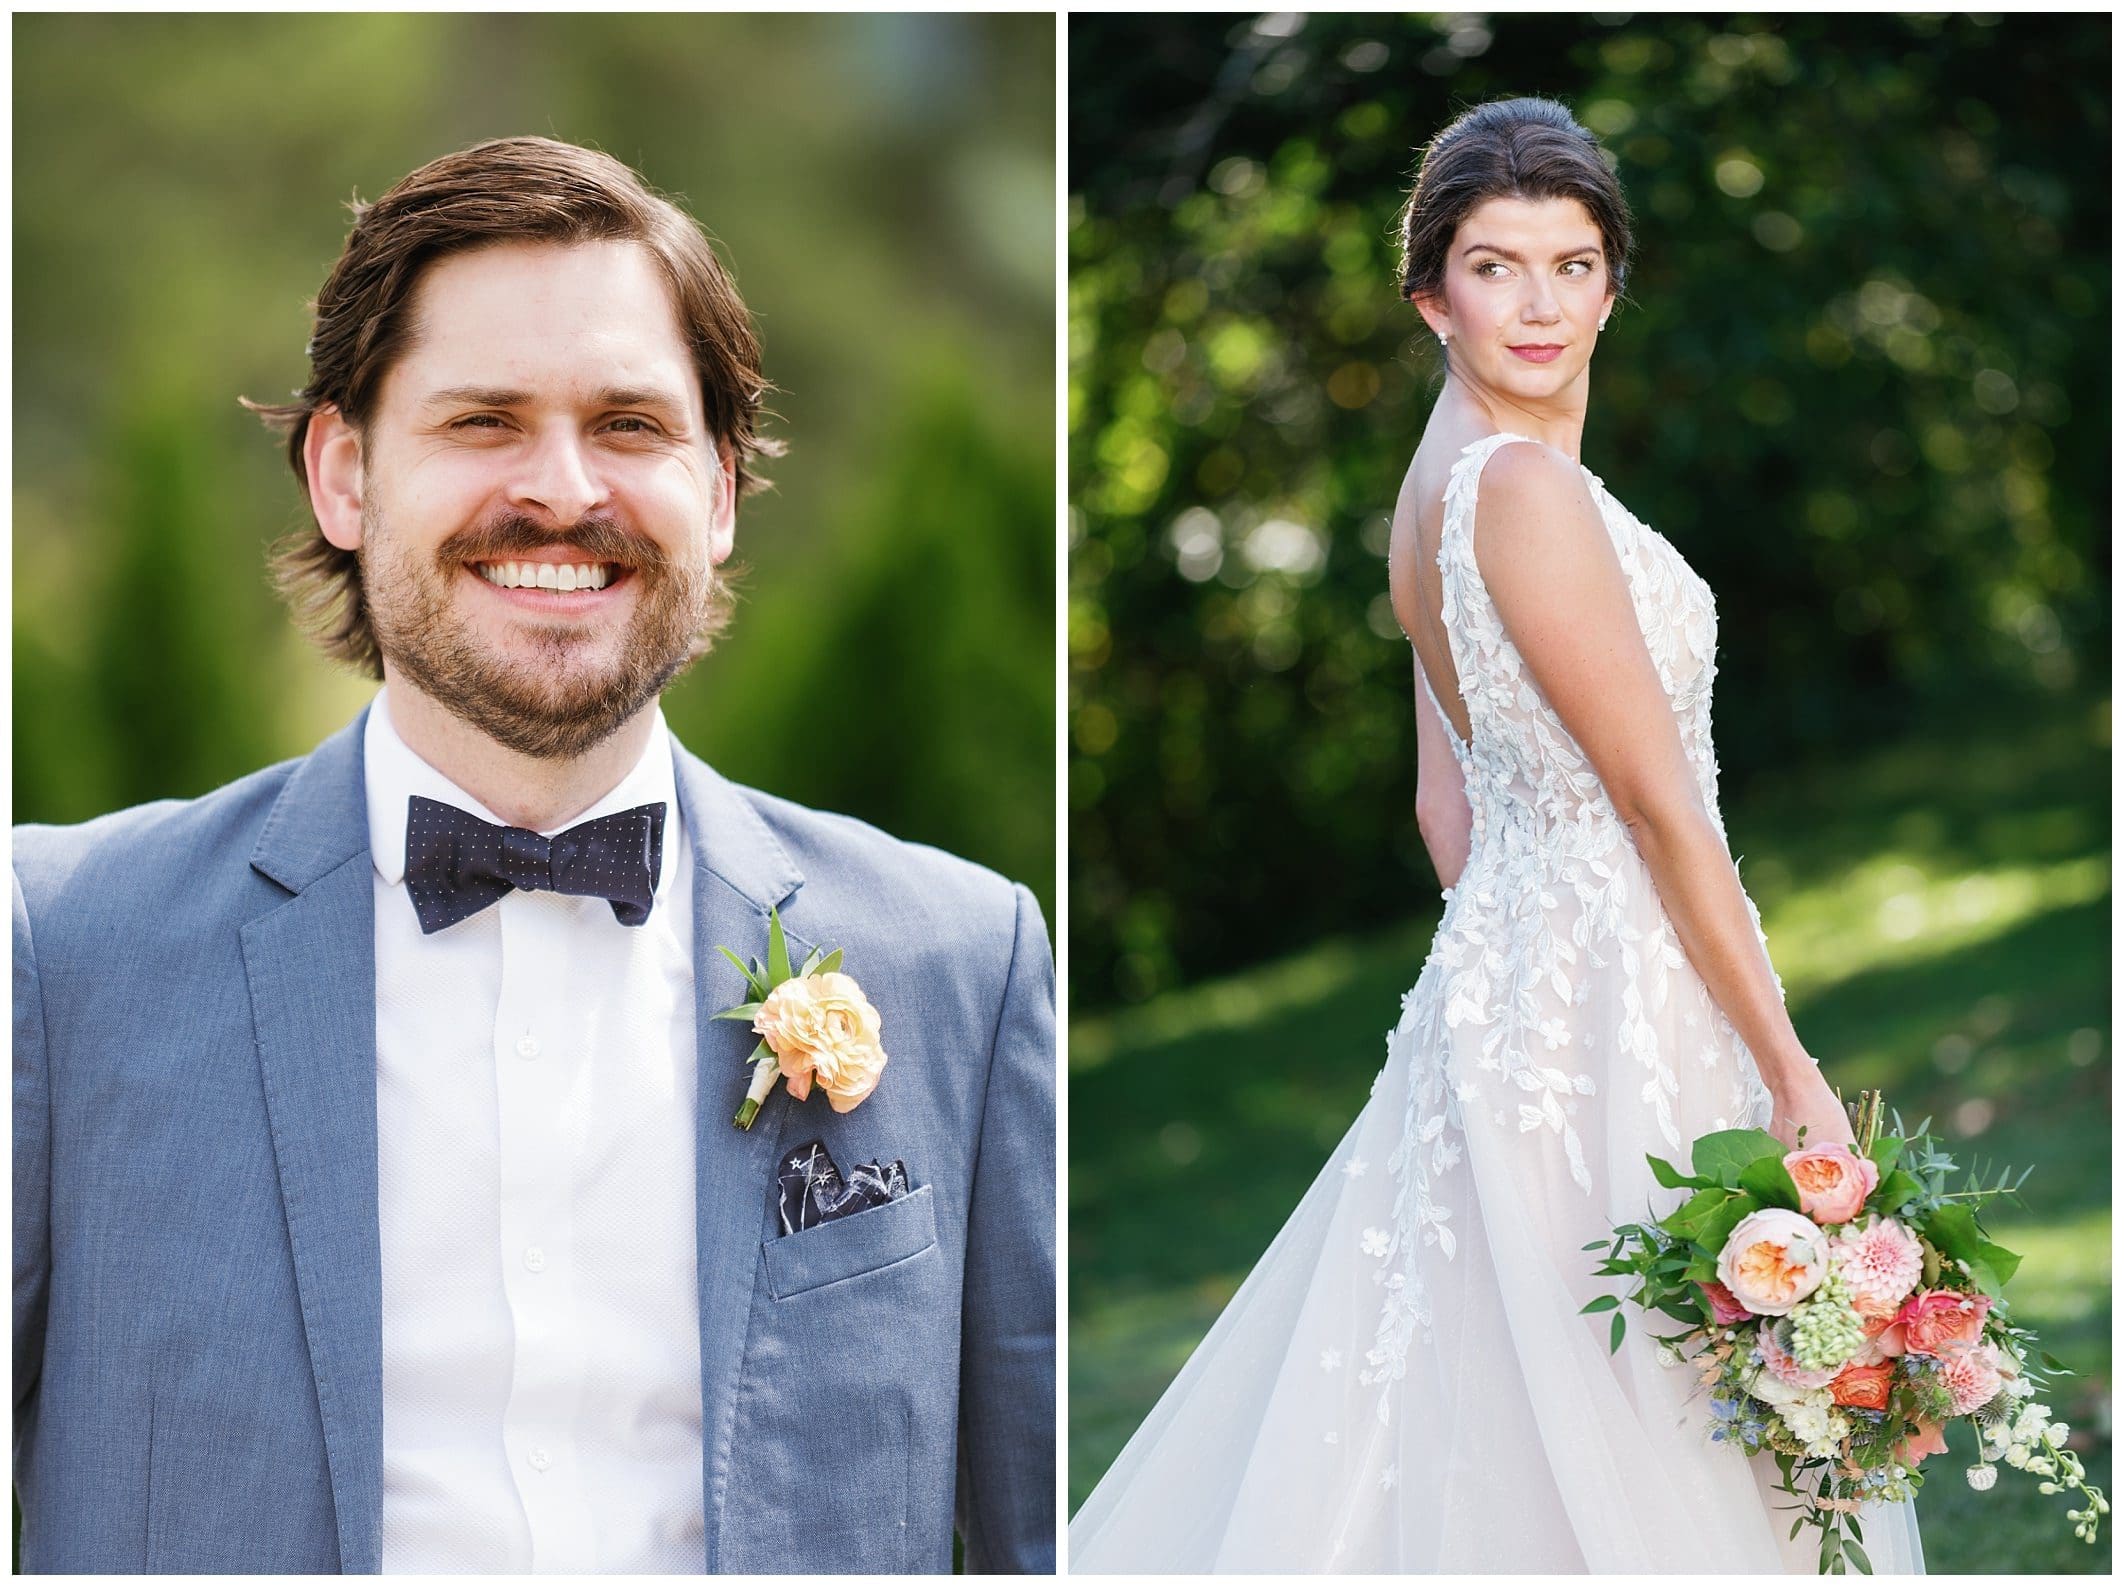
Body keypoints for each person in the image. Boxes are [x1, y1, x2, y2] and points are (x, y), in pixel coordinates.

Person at [14, 136, 1055, 1575]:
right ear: (343, 475)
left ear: (724, 489)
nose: (563, 492)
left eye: (630, 424)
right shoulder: (56, 951)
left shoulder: (960, 960)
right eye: (484, 421)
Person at [1068, 98, 1922, 1572]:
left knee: (1533, 1397)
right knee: (1635, 1409)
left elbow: (1444, 807)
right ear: (1430, 295)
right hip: (1615, 986)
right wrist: (1787, 1068)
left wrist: (1517, 974)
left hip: (1526, 995)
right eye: (1494, 266)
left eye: (1572, 264)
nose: (1539, 303)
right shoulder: (1518, 489)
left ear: (1612, 284)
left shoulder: (1438, 482)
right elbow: (1659, 805)